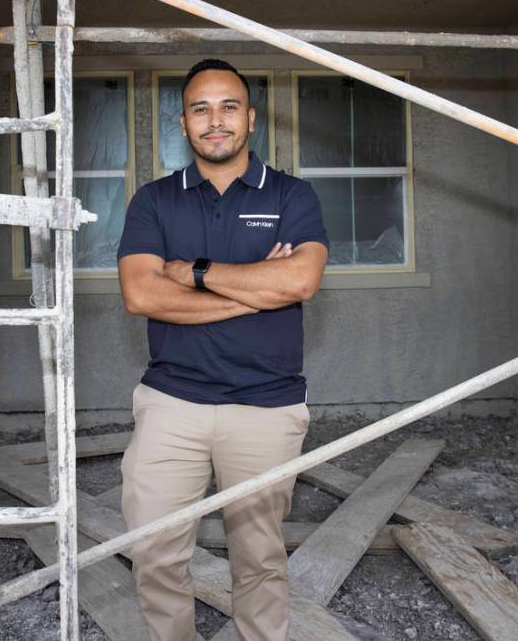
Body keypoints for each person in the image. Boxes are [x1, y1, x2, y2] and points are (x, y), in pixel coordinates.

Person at [116, 59, 329, 640]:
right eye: (201, 108)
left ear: (250, 119)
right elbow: (140, 294)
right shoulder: (154, 201)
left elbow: (300, 282)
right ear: (183, 123)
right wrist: (257, 287)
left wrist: (197, 272)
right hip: (171, 403)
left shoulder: (292, 194)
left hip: (267, 406)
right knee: (155, 552)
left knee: (259, 562)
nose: (216, 120)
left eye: (229, 106)